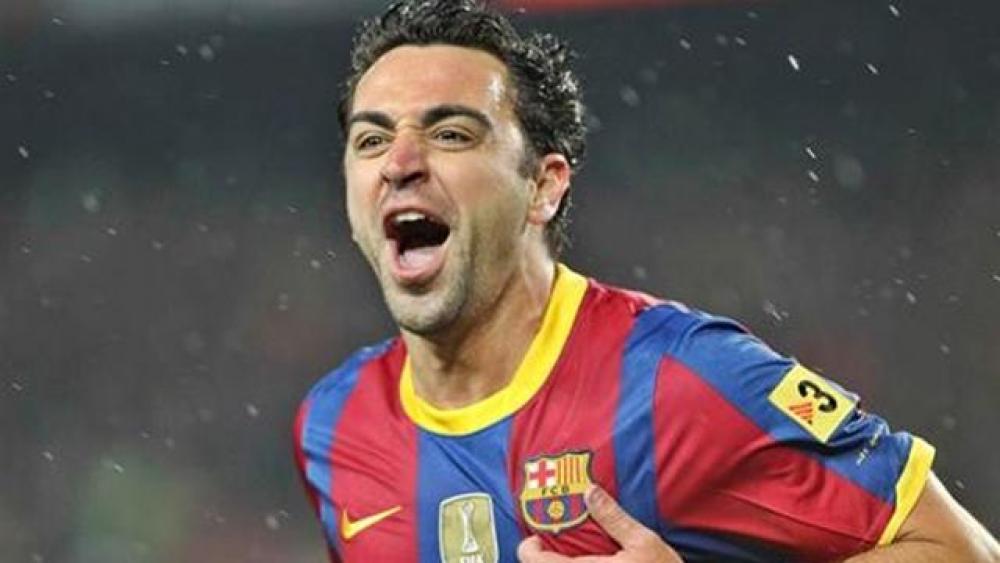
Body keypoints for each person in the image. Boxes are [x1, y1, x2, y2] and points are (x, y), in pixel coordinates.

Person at [293, 1, 1000, 561]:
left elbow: (963, 551)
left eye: (451, 134)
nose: (400, 163)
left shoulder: (682, 377)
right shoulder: (332, 424)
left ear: (543, 186)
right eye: (371, 139)